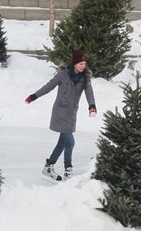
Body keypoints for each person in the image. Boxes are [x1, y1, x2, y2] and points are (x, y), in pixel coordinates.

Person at [25, 50, 97, 182]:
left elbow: (89, 93)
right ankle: (68, 171)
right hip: (60, 112)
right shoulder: (63, 74)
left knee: (62, 143)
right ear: (74, 63)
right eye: (80, 63)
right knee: (70, 142)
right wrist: (33, 96)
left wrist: (92, 106)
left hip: (71, 114)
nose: (83, 66)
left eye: (84, 64)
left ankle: (48, 168)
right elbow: (49, 87)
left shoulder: (85, 78)